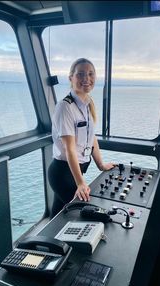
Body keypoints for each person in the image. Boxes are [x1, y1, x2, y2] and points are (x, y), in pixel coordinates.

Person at [48, 58, 115, 218]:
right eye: (81, 74)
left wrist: (101, 165)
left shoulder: (87, 103)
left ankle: (45, 242)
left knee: (57, 216)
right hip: (63, 173)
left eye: (91, 74)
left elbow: (91, 138)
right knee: (81, 215)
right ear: (71, 78)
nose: (86, 78)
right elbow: (69, 149)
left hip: (75, 171)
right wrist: (80, 183)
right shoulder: (65, 107)